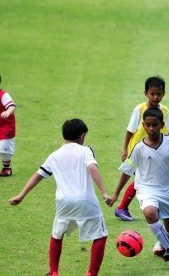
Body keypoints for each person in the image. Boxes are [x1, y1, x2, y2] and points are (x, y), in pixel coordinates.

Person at [9, 118, 112, 276]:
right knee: (100, 235)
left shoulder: (54, 155)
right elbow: (92, 168)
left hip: (63, 202)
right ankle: (91, 273)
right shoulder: (86, 150)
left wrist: (21, 195)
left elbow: (38, 175)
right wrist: (104, 192)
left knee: (57, 235)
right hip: (85, 201)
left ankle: (54, 272)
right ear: (82, 135)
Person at [110, 108, 169, 262]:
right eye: (148, 125)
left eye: (155, 125)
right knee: (150, 212)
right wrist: (116, 194)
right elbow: (127, 171)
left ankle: (162, 242)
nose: (151, 128)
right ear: (143, 125)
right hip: (146, 189)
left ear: (161, 124)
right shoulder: (139, 148)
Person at [114, 76, 169, 222]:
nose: (155, 97)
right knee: (142, 180)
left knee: (148, 180)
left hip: (157, 152)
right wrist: (125, 149)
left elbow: (168, 131)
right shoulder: (139, 109)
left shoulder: (165, 110)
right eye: (152, 94)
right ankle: (122, 207)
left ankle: (148, 205)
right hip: (139, 152)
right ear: (145, 93)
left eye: (158, 94)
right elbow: (130, 130)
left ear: (163, 94)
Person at [0, 75, 16, 177]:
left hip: (6, 127)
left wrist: (8, 112)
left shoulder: (3, 95)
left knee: (3, 148)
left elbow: (12, 106)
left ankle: (7, 168)